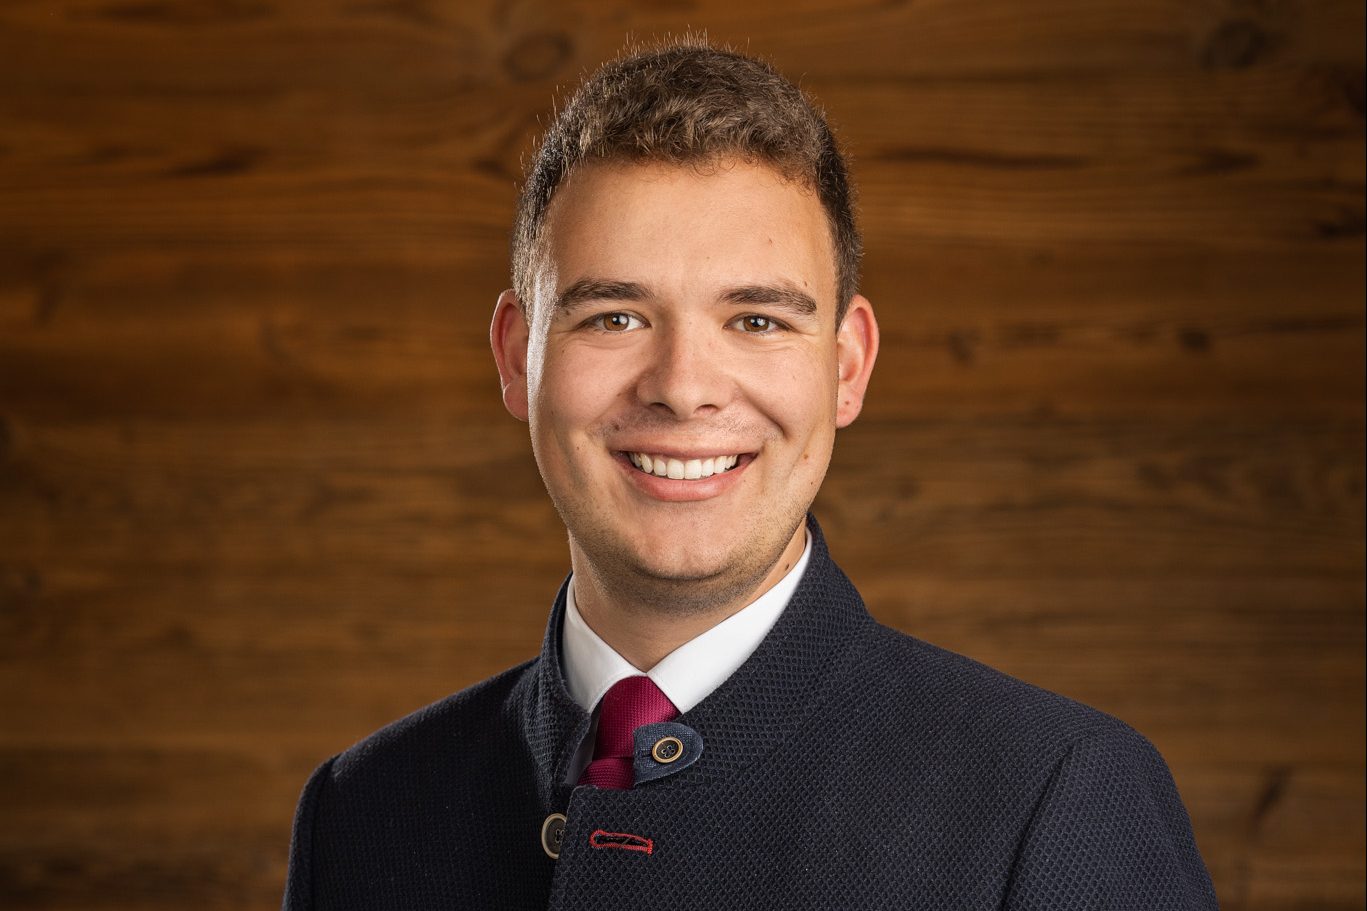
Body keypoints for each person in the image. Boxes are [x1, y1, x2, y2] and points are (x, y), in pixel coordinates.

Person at [283, 39, 1218, 909]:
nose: (683, 388)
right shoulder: (362, 811)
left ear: (846, 366)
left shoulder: (1059, 802)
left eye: (757, 320)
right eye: (613, 317)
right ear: (514, 355)